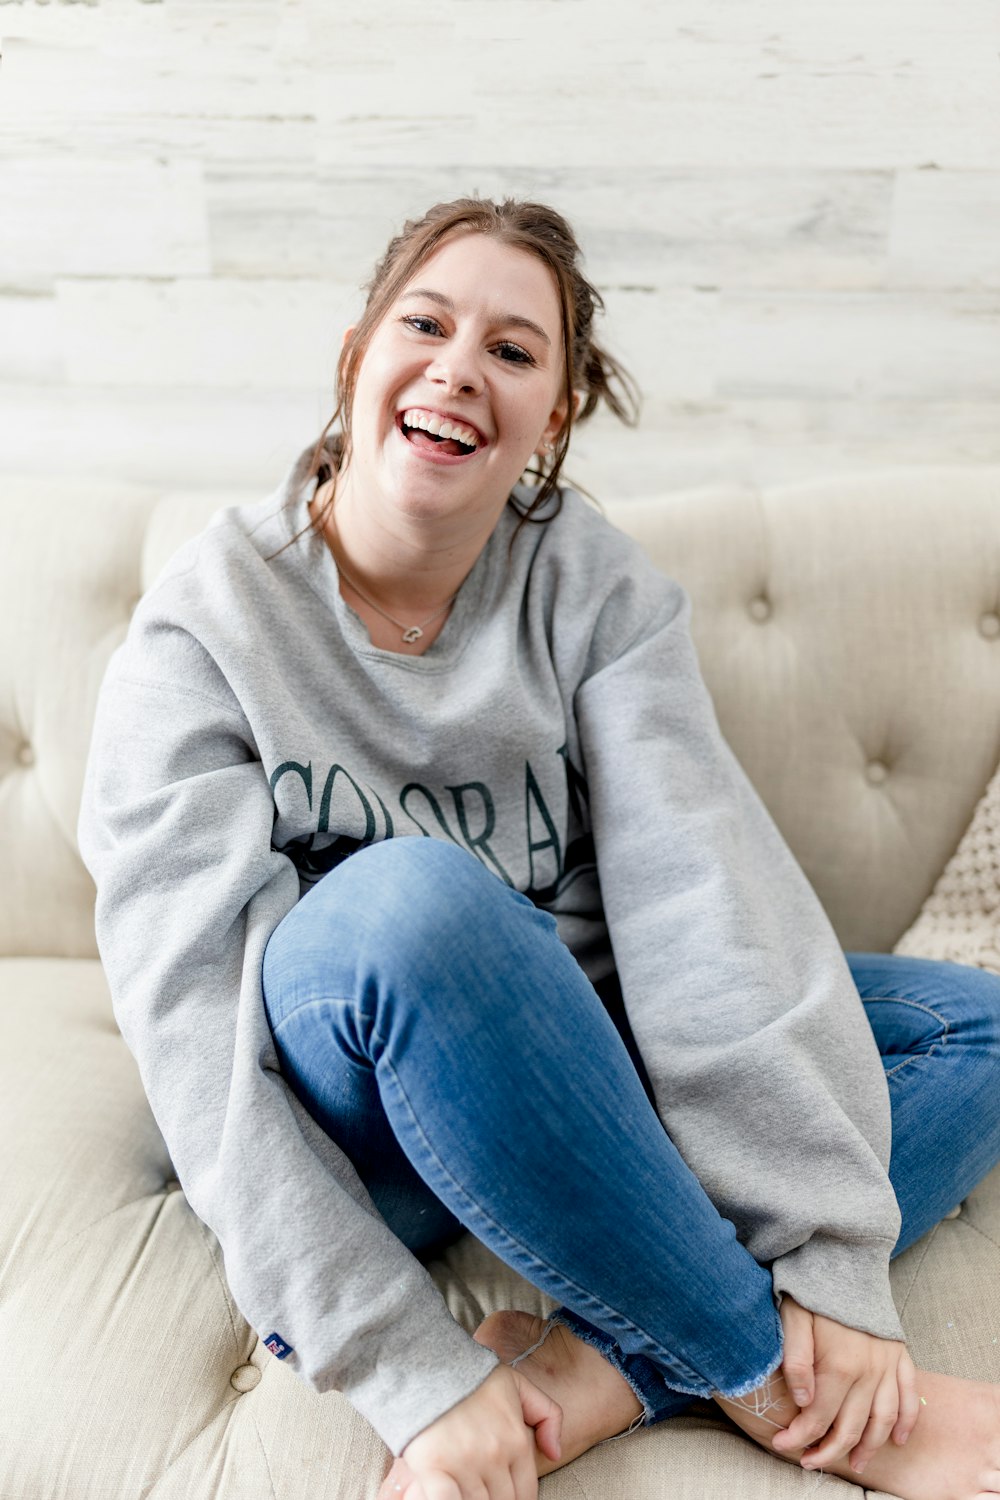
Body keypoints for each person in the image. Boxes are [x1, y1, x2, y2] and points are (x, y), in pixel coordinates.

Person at [77, 196, 1000, 1500]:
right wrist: (405, 1369)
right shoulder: (205, 627)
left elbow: (703, 895)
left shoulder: (595, 591)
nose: (462, 364)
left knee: (974, 1026)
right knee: (415, 903)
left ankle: (591, 1371)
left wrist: (831, 1249)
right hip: (359, 1121)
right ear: (357, 359)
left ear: (553, 418)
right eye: (428, 323)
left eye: (515, 351)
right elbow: (192, 1029)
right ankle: (766, 1377)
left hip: (576, 1077)